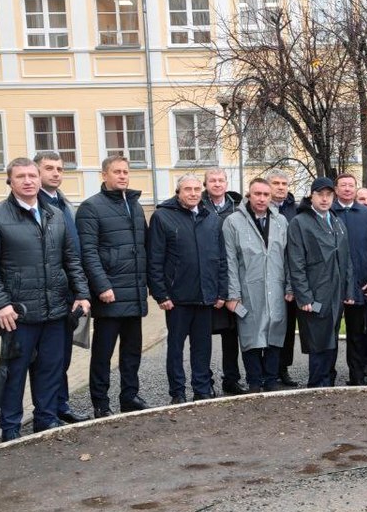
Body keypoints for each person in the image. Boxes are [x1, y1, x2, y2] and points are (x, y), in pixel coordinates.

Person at [0, 157, 91, 440]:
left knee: (50, 369)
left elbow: (71, 258)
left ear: (39, 179)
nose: (28, 181)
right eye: (20, 176)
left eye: (32, 176)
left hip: (55, 309)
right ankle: (10, 428)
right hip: (19, 313)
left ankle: (46, 420)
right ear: (10, 181)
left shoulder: (55, 214)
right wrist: (0, 304)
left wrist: (82, 293)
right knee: (14, 373)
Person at [76, 156, 149, 418]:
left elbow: (143, 247)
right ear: (104, 175)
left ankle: (129, 396)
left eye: (125, 172)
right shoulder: (91, 207)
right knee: (103, 354)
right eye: (116, 172)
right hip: (110, 294)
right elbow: (88, 252)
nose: (122, 176)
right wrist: (102, 286)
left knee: (132, 351)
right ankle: (101, 402)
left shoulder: (135, 205)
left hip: (134, 293)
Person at [148, 174, 228, 403]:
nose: (193, 193)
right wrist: (160, 293)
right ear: (178, 192)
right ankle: (178, 392)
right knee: (175, 348)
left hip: (205, 296)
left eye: (196, 189)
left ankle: (202, 389)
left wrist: (221, 291)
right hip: (177, 298)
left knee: (202, 347)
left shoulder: (211, 218)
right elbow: (155, 258)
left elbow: (221, 259)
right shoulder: (162, 216)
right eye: (187, 189)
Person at [33, 151, 91, 424]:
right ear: (37, 171)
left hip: (67, 295)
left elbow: (73, 252)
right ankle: (45, 411)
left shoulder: (63, 203)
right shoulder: (36, 204)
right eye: (49, 168)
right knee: (45, 360)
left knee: (62, 357)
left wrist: (80, 291)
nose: (55, 173)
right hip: (43, 296)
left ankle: (60, 404)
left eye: (59, 168)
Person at [287, 177, 357, 388]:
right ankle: (317, 384)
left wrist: (349, 290)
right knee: (318, 339)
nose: (325, 199)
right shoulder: (300, 222)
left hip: (336, 293)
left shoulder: (336, 221)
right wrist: (304, 296)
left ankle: (328, 382)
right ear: (312, 196)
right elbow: (296, 262)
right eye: (320, 195)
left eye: (329, 195)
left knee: (331, 338)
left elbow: (346, 259)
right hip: (315, 294)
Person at [224, 177, 291, 392]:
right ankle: (254, 380)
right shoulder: (233, 222)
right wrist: (233, 294)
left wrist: (289, 286)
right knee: (250, 334)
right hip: (247, 289)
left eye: (266, 195)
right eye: (257, 194)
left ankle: (271, 380)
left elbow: (288, 257)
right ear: (249, 195)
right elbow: (230, 260)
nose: (262, 199)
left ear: (271, 197)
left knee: (274, 331)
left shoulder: (281, 221)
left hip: (276, 287)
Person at [332, 173, 367, 385]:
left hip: (360, 283)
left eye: (351, 185)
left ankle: (357, 376)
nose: (347, 189)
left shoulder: (366, 214)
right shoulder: (328, 211)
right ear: (336, 189)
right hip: (332, 283)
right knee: (330, 333)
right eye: (343, 185)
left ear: (355, 188)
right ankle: (327, 376)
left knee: (356, 333)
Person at [203, 168, 247, 395]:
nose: (217, 184)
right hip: (208, 280)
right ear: (206, 184)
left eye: (221, 180)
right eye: (212, 180)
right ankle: (205, 380)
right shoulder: (199, 207)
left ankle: (231, 378)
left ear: (226, 183)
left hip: (234, 280)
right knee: (204, 336)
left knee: (232, 334)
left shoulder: (238, 207)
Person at [267, 169, 300, 387]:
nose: (280, 187)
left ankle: (283, 368)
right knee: (266, 324)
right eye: (276, 183)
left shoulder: (293, 210)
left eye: (284, 184)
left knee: (287, 327)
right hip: (267, 276)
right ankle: (266, 369)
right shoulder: (260, 208)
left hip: (289, 277)